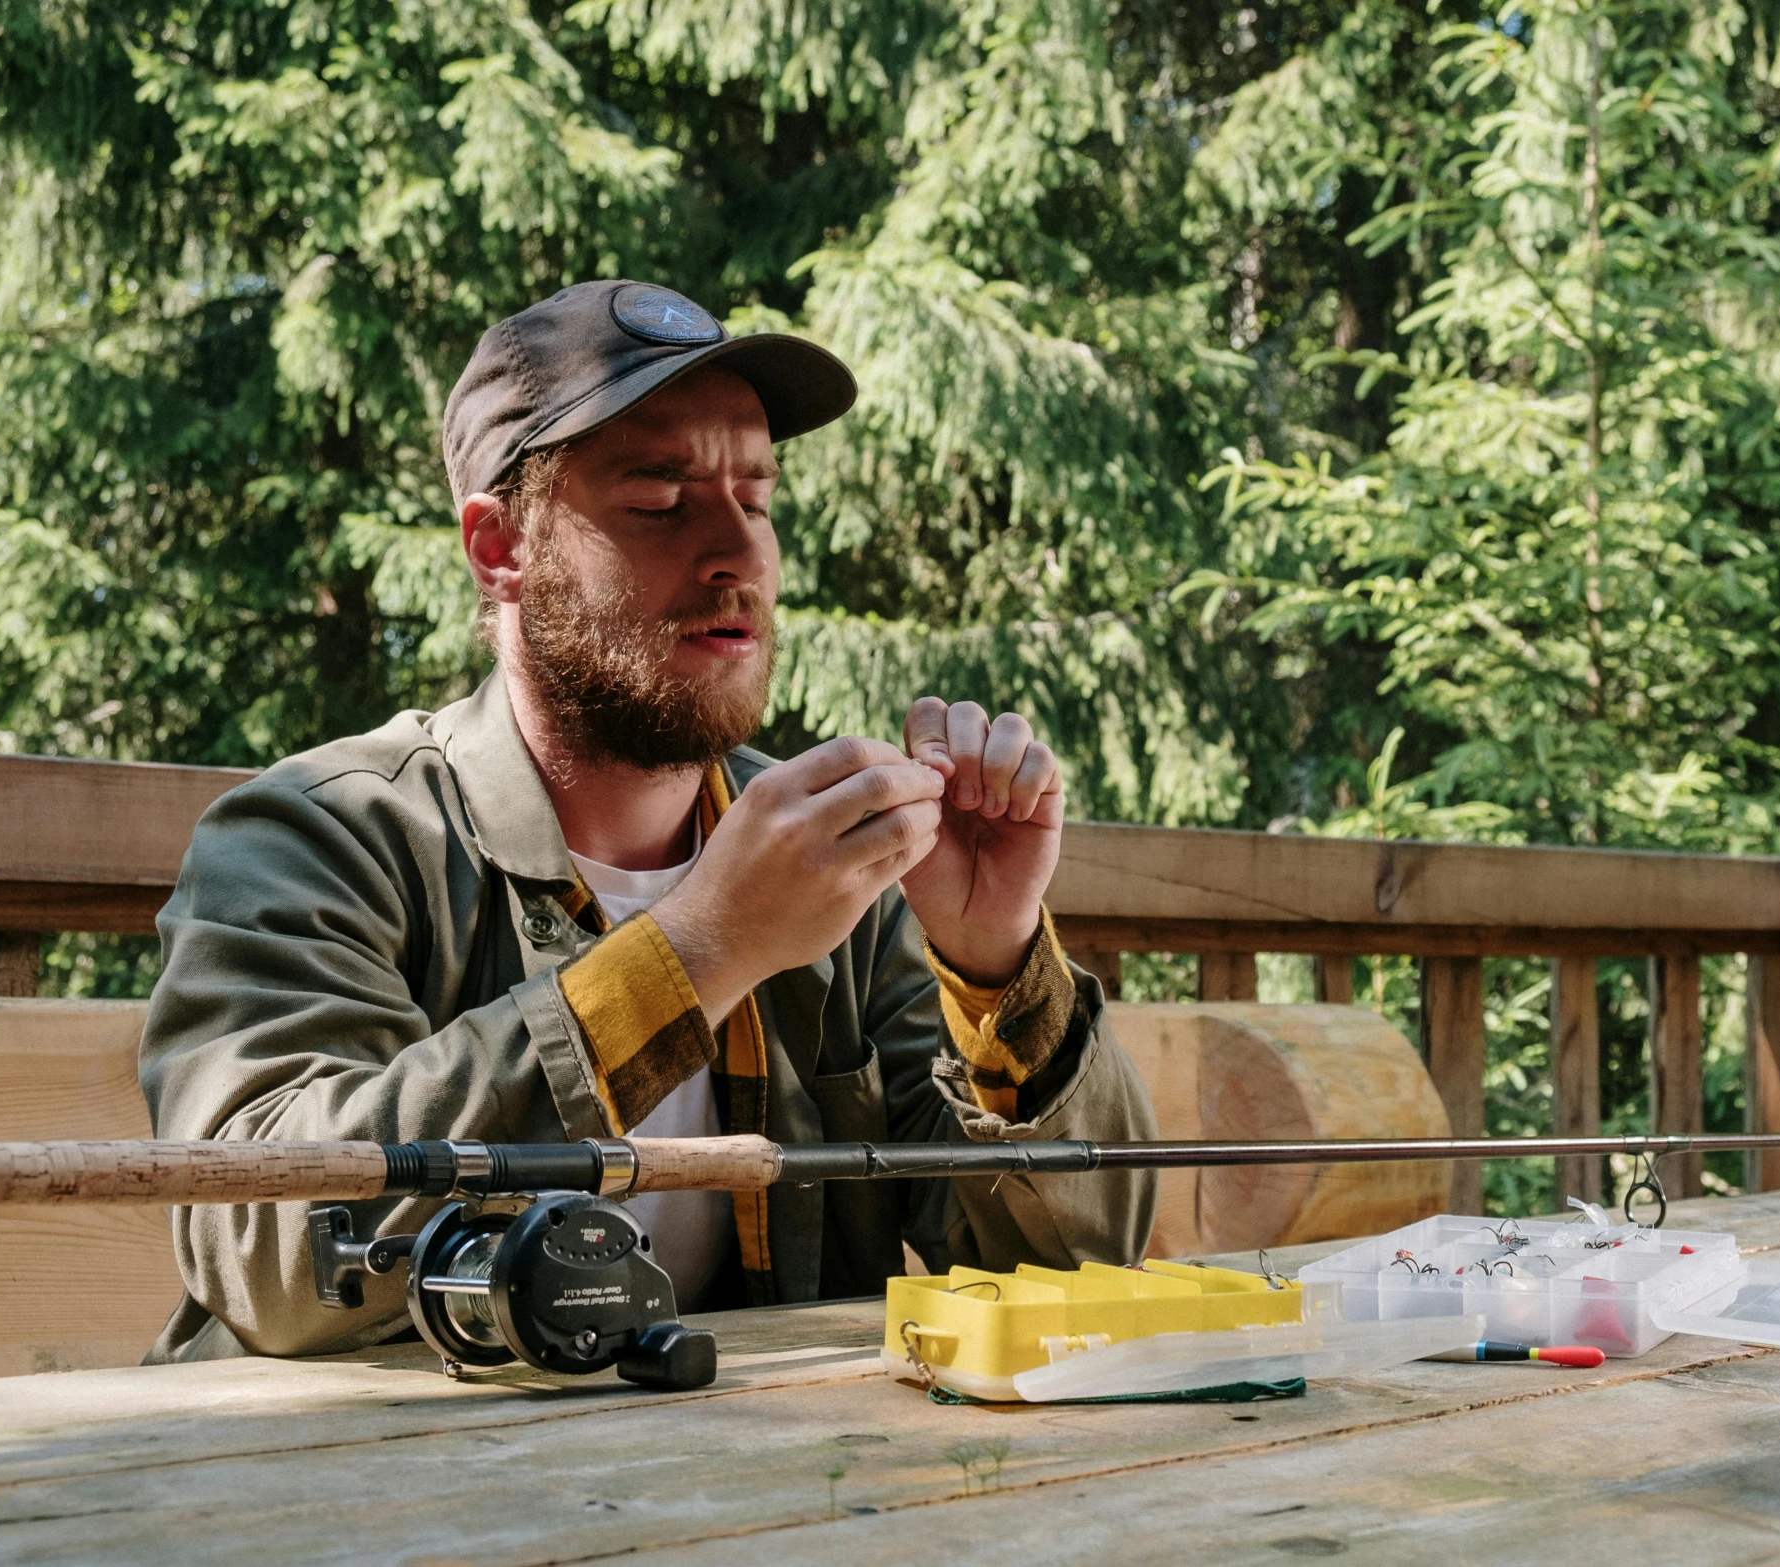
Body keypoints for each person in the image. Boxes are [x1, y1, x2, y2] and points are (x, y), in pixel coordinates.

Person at [139, 280, 1157, 1361]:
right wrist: (702, 949)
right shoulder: (318, 839)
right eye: (661, 498)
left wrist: (995, 961)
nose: (739, 553)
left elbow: (1075, 1274)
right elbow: (270, 1248)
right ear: (499, 548)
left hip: (727, 1491)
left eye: (756, 498)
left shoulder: (839, 872)